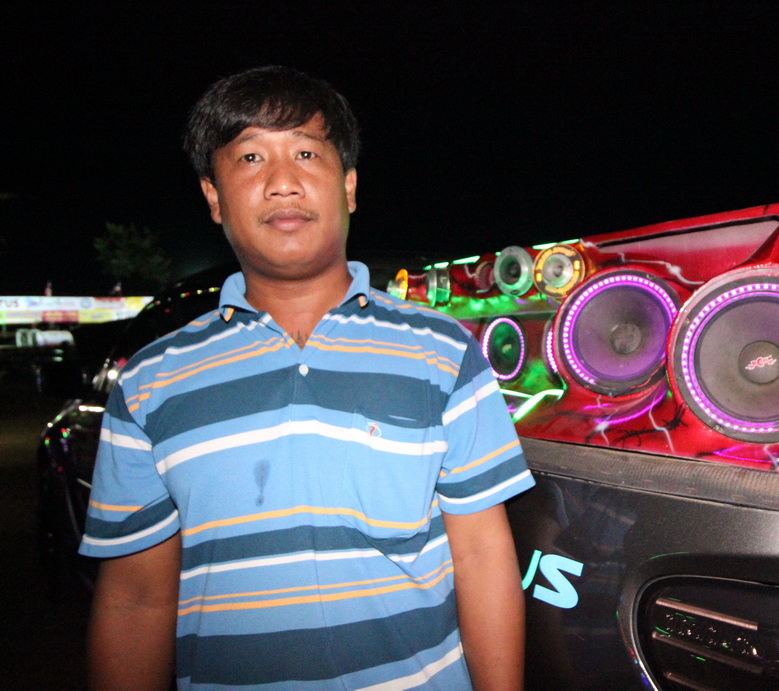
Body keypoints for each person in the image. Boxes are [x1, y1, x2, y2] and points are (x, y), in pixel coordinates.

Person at [80, 65, 534, 690]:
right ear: (213, 196)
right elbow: (135, 598)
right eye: (250, 158)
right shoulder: (149, 383)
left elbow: (482, 557)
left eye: (305, 153)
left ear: (349, 187)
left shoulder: (444, 351)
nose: (282, 182)